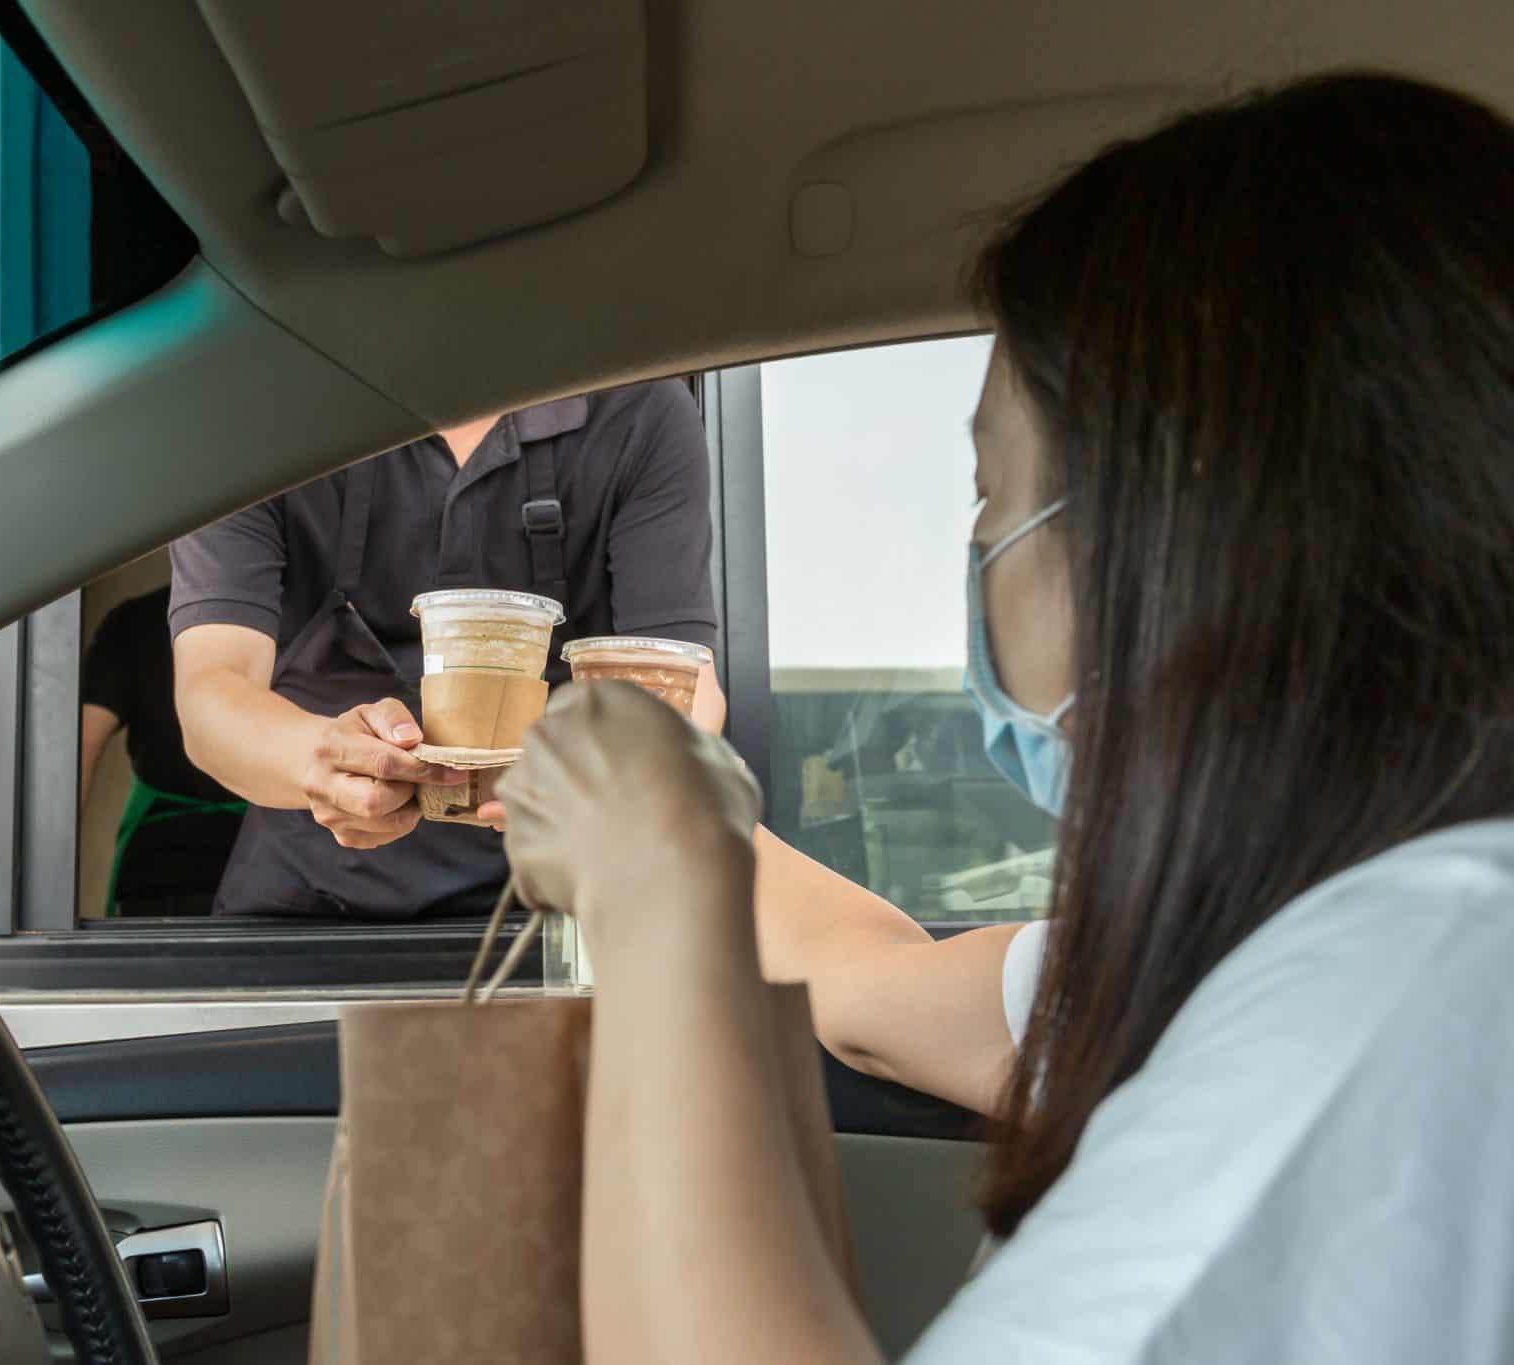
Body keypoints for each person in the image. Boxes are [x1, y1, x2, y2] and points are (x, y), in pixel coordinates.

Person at [498, 72, 1514, 1362]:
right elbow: (870, 990)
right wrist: (674, 819)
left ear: (1173, 541)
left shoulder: (1404, 995)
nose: (978, 557)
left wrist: (653, 895)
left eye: (991, 497)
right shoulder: (1269, 938)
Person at [168, 384, 726, 919]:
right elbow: (213, 691)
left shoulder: (638, 412)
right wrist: (322, 760)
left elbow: (682, 685)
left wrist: (634, 779)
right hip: (306, 905)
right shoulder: (254, 417)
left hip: (563, 905)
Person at [79, 586, 247, 916]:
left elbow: (75, 757)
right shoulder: (302, 613)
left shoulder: (135, 619)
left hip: (158, 865)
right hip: (265, 862)